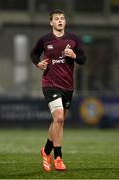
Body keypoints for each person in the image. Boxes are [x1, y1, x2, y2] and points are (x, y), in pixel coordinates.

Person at [30, 9, 86, 172]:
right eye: (57, 18)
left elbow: (83, 59)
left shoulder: (73, 39)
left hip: (68, 86)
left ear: (65, 22)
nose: (60, 20)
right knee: (59, 117)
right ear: (51, 23)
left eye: (62, 18)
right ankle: (58, 158)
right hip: (50, 83)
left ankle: (46, 151)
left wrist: (75, 55)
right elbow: (34, 54)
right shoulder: (45, 40)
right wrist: (37, 63)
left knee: (59, 122)